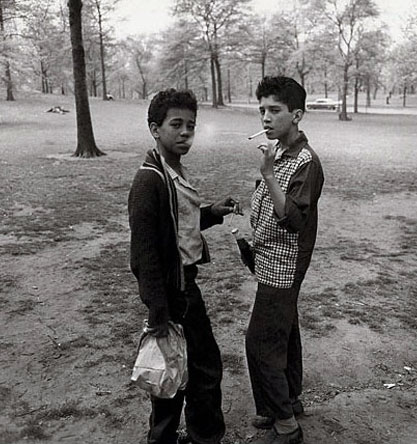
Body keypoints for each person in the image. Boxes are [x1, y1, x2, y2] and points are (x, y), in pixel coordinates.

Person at [128, 88, 237, 444]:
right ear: (154, 128)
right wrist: (159, 309)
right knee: (194, 368)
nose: (186, 132)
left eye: (191, 125)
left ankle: (174, 437)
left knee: (178, 367)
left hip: (184, 285)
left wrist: (212, 214)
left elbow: (178, 227)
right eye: (176, 124)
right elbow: (145, 253)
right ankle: (200, 437)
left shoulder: (174, 169)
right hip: (174, 293)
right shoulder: (149, 180)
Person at [246, 76, 324, 444]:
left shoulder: (306, 161)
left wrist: (267, 175)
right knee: (285, 334)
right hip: (269, 257)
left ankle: (286, 425)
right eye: (262, 110)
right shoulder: (280, 152)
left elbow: (292, 218)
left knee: (261, 342)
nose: (265, 118)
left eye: (274, 110)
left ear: (297, 115)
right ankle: (288, 402)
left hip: (286, 263)